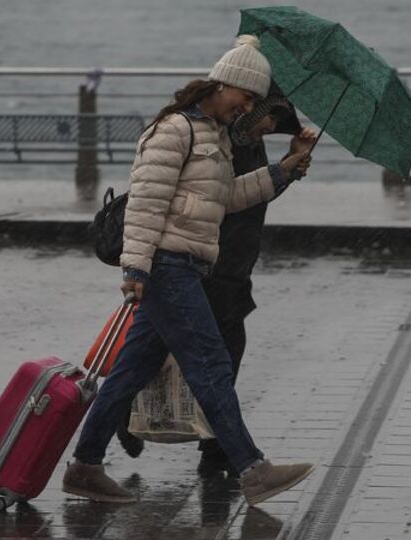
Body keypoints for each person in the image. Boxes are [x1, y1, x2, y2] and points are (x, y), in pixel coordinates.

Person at [62, 35, 315, 507]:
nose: (247, 109)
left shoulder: (214, 134)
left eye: (254, 104)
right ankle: (254, 470)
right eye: (246, 98)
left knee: (130, 371)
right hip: (166, 265)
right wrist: (135, 269)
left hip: (186, 265)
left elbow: (227, 197)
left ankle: (84, 466)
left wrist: (286, 169)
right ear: (225, 84)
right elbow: (146, 205)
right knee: (210, 363)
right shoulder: (174, 130)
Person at [197, 91, 316, 473]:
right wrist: (284, 169)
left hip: (236, 262)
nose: (272, 126)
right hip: (215, 262)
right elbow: (231, 197)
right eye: (270, 118)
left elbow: (257, 194)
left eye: (278, 122)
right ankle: (220, 448)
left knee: (216, 352)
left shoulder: (251, 142)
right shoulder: (226, 144)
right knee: (219, 354)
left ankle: (215, 445)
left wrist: (289, 166)